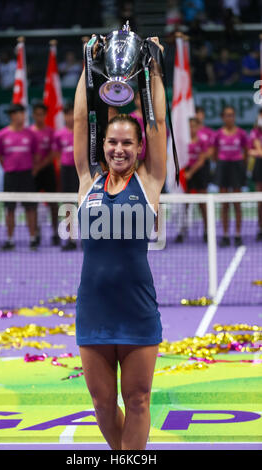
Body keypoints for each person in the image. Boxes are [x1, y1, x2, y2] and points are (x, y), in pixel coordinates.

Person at [73, 36, 166, 451]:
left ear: (138, 148)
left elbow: (158, 123)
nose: (119, 148)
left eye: (128, 142)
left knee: (139, 399)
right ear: (104, 146)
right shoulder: (87, 181)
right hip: (93, 308)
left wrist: (156, 70)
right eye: (112, 142)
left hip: (136, 309)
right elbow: (80, 123)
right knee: (103, 404)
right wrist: (84, 66)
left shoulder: (148, 182)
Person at [0, 103, 39, 250]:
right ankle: (10, 239)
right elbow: (0, 156)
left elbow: (36, 155)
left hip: (26, 175)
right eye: (15, 113)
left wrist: (31, 169)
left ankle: (33, 238)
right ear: (11, 116)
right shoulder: (1, 135)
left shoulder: (30, 134)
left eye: (21, 113)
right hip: (10, 176)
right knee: (10, 209)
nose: (19, 116)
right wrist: (9, 168)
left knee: (31, 208)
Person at [213, 105, 248, 247]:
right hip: (223, 167)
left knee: (237, 203)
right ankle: (226, 235)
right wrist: (220, 162)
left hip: (237, 167)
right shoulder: (218, 134)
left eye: (232, 115)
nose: (230, 117)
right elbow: (214, 153)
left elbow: (245, 151)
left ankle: (238, 235)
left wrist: (240, 164)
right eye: (227, 115)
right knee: (224, 204)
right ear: (223, 117)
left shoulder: (241, 133)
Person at [30, 101, 59, 246]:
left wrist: (39, 166)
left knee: (53, 203)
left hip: (47, 171)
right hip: (33, 172)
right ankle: (35, 234)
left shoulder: (51, 132)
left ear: (45, 115)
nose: (39, 117)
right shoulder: (29, 132)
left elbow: (53, 153)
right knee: (32, 205)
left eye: (42, 114)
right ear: (33, 115)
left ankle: (55, 233)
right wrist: (34, 168)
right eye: (37, 114)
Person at [53, 102, 78, 250]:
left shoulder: (84, 131)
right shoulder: (59, 134)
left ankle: (88, 238)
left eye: (72, 113)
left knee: (85, 204)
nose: (69, 117)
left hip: (81, 171)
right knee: (68, 205)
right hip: (67, 172)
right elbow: (56, 155)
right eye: (67, 114)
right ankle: (71, 239)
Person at [184, 117, 209, 241]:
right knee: (185, 203)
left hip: (199, 173)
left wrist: (190, 172)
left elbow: (202, 159)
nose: (191, 128)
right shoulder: (182, 141)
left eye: (193, 126)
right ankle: (182, 230)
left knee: (203, 204)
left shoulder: (202, 140)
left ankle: (207, 230)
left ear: (197, 127)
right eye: (189, 126)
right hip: (185, 173)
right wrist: (185, 173)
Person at [248, 109, 262, 241]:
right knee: (260, 200)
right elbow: (251, 151)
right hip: (259, 167)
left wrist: (257, 151)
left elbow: (257, 151)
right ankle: (260, 227)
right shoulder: (254, 133)